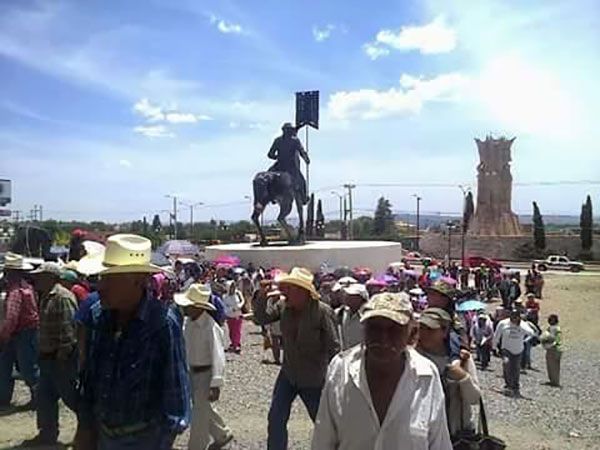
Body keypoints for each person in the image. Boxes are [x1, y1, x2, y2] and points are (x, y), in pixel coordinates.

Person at [75, 234, 191, 450]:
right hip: (102, 435)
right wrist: (85, 429)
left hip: (143, 440)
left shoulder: (162, 323)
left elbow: (176, 402)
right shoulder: (99, 316)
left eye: (109, 279)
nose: (100, 287)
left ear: (138, 280)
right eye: (101, 278)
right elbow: (90, 380)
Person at [311, 293, 452, 450]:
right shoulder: (341, 368)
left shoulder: (426, 374)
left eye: (394, 330)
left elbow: (439, 442)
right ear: (363, 330)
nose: (383, 339)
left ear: (412, 335)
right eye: (374, 328)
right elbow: (323, 438)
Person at [254, 267, 340, 450]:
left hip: (314, 378)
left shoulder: (322, 312)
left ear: (303, 292)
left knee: (322, 422)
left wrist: (335, 380)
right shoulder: (284, 307)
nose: (285, 291)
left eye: (290, 288)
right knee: (276, 417)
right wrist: (262, 297)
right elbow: (261, 319)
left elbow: (334, 347)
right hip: (288, 373)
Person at [22, 263, 79, 446]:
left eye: (40, 276)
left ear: (50, 277)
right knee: (44, 398)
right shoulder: (46, 296)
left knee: (72, 398)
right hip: (47, 357)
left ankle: (91, 429)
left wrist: (62, 356)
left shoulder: (62, 297)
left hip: (59, 359)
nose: (36, 279)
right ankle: (47, 434)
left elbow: (69, 330)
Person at [176, 284, 234, 450]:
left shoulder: (211, 327)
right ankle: (222, 433)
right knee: (202, 407)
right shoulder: (187, 323)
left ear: (198, 307)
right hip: (191, 372)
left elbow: (218, 356)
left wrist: (216, 384)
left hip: (206, 373)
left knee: (198, 415)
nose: (185, 308)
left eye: (188, 305)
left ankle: (196, 446)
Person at [416, 307, 481, 440]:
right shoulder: (411, 358)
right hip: (423, 434)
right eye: (421, 328)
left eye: (430, 329)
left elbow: (474, 399)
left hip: (456, 434)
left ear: (445, 331)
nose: (424, 333)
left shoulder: (462, 360)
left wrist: (463, 377)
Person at [0, 253, 39, 410]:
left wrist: (3, 336)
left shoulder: (16, 291)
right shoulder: (27, 287)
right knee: (10, 364)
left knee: (26, 366)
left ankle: (38, 397)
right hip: (26, 331)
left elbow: (11, 317)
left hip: (22, 332)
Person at [493, 309, 536, 397]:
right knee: (507, 365)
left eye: (516, 318)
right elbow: (497, 335)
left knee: (516, 368)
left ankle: (515, 386)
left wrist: (521, 328)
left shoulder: (523, 324)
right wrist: (494, 347)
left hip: (518, 350)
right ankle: (508, 385)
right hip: (506, 349)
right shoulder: (503, 323)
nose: (514, 320)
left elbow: (531, 333)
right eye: (513, 317)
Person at [267, 123, 310, 204]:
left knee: (268, 176)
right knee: (301, 181)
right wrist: (306, 159)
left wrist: (276, 157)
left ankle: (271, 196)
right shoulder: (295, 140)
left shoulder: (277, 140)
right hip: (291, 167)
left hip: (279, 165)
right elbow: (302, 151)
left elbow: (270, 154)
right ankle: (304, 198)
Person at [338, 283, 369, 350]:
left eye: (351, 295)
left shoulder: (367, 314)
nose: (347, 296)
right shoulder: (342, 312)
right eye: (347, 294)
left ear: (361, 298)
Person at [222, 280, 244, 354]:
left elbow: (242, 300)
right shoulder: (225, 296)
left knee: (237, 330)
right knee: (231, 331)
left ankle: (237, 345)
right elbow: (224, 306)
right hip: (230, 316)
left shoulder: (238, 293)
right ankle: (233, 343)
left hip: (238, 315)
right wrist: (231, 309)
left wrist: (239, 306)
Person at [541, 314, 562, 387]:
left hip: (555, 348)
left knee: (555, 365)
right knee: (550, 365)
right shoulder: (550, 328)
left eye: (552, 319)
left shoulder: (556, 328)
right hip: (550, 348)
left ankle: (555, 381)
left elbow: (558, 338)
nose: (550, 320)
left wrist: (553, 344)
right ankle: (552, 380)